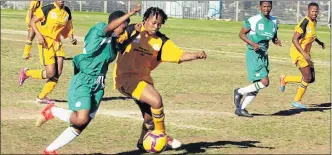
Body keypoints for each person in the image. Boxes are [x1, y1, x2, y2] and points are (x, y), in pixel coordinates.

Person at [34, 5, 141, 154]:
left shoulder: (113, 42)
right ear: (115, 23)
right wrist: (131, 12)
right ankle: (51, 111)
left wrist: (135, 31)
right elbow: (110, 28)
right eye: (121, 27)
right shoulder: (98, 30)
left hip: (98, 85)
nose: (123, 31)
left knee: (80, 125)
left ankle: (50, 150)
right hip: (84, 81)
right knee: (80, 119)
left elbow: (122, 44)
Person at [113, 7, 207, 152]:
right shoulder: (132, 29)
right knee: (156, 100)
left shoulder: (161, 41)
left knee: (150, 117)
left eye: (159, 24)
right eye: (153, 22)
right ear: (145, 19)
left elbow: (179, 55)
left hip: (143, 80)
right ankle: (163, 136)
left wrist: (196, 55)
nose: (156, 26)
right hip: (125, 78)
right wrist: (133, 34)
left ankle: (142, 143)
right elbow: (117, 44)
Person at [18, 1, 77, 104]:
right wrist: (39, 36)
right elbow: (32, 21)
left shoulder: (67, 11)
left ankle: (41, 97)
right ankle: (27, 73)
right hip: (46, 43)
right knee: (50, 73)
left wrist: (72, 38)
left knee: (58, 73)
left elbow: (69, 26)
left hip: (57, 43)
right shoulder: (47, 9)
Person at [233, 1, 281, 117]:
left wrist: (276, 41)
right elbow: (241, 34)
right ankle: (239, 92)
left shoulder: (274, 21)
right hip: (253, 54)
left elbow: (273, 36)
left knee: (257, 85)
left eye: (269, 6)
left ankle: (241, 109)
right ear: (260, 7)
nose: (266, 8)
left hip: (264, 54)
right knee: (265, 82)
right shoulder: (253, 20)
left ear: (271, 7)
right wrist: (253, 43)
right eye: (264, 6)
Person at [280, 2, 325, 109]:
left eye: (316, 11)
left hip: (305, 52)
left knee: (311, 78)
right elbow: (294, 39)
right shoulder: (304, 22)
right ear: (308, 11)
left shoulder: (314, 22)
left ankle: (285, 79)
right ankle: (296, 101)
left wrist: (319, 42)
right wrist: (303, 53)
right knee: (307, 77)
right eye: (312, 11)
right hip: (298, 51)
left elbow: (312, 35)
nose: (314, 13)